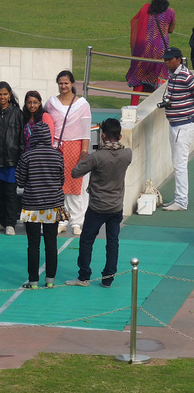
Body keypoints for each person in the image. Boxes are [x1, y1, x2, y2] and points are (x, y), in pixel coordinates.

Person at [67, 118, 133, 287]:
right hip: (116, 206)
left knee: (87, 241)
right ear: (119, 136)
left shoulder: (97, 157)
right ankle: (108, 278)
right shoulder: (127, 154)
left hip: (97, 207)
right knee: (113, 242)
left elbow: (75, 173)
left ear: (103, 136)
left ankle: (84, 276)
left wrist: (84, 157)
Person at [15, 122, 64, 289]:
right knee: (51, 242)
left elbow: (20, 182)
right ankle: (50, 280)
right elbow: (61, 180)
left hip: (32, 205)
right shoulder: (58, 155)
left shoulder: (27, 156)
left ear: (33, 137)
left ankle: (33, 281)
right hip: (53, 205)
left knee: (33, 244)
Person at [45, 70, 91, 235]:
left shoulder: (82, 105)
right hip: (56, 148)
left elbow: (86, 133)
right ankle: (61, 220)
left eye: (66, 83)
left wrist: (83, 153)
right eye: (61, 83)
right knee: (58, 186)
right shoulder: (51, 103)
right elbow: (46, 123)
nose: (63, 86)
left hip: (75, 148)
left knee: (75, 186)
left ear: (72, 84)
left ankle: (77, 221)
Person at [126, 0, 176, 106]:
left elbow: (135, 22)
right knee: (158, 78)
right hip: (161, 50)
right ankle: (154, 106)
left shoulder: (146, 9)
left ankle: (133, 107)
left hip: (145, 49)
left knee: (139, 76)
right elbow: (171, 29)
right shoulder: (170, 12)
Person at [160, 47, 194, 211]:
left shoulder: (186, 76)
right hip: (175, 124)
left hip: (184, 125)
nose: (166, 62)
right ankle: (179, 198)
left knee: (180, 164)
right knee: (177, 163)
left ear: (178, 60)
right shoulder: (172, 75)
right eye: (165, 59)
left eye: (169, 59)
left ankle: (181, 201)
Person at [0, 81, 23, 236]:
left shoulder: (17, 112)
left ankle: (10, 223)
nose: (2, 97)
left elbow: (21, 138)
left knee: (10, 192)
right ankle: (0, 221)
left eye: (5, 94)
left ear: (10, 95)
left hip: (12, 160)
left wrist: (21, 159)